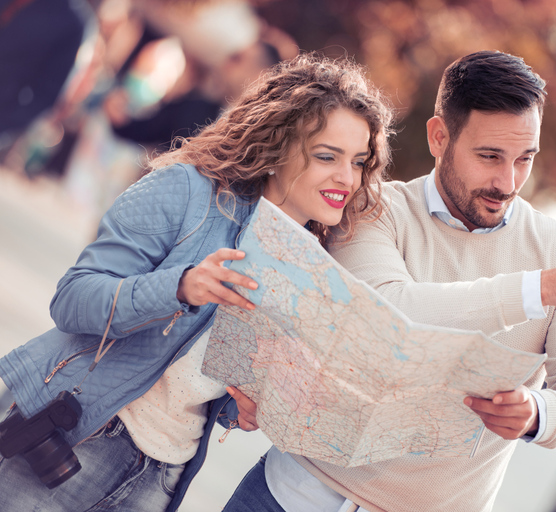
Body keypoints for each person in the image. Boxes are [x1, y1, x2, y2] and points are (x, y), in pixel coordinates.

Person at [224, 50, 556, 512]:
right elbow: (391, 315)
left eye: (523, 159)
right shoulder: (373, 208)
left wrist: (536, 412)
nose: (507, 182)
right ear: (438, 136)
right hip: (293, 496)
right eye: (489, 156)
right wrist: (539, 290)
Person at [0, 53, 394, 512]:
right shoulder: (186, 190)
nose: (346, 178)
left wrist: (247, 407)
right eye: (327, 156)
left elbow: (205, 382)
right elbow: (72, 300)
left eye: (359, 162)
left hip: (162, 478)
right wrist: (180, 287)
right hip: (77, 436)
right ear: (278, 146)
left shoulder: (313, 271)